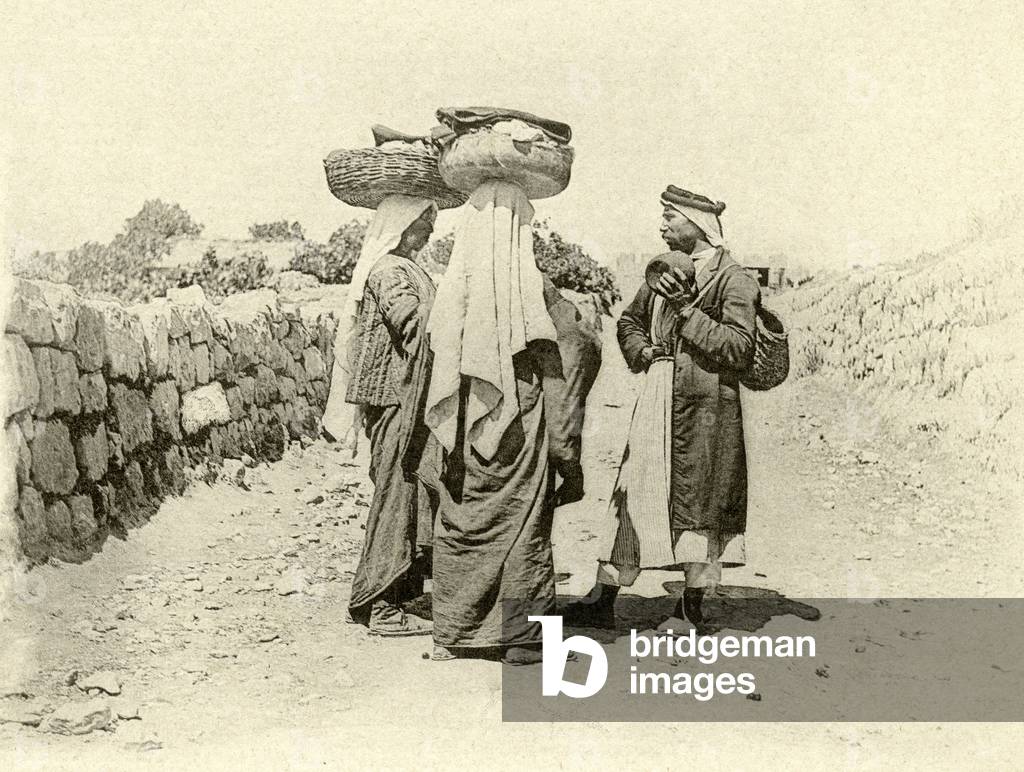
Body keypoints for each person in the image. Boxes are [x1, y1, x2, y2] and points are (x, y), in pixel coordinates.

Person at [563, 185, 759, 631]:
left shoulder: (735, 280)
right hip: (657, 398)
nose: (662, 225)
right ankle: (603, 597)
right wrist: (645, 352)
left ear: (699, 223)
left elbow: (738, 349)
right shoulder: (663, 272)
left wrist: (686, 312)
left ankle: (690, 606)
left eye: (670, 216)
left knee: (698, 503)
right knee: (632, 491)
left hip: (706, 409)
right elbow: (629, 321)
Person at [419, 180, 596, 664]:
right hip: (521, 422)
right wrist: (568, 456)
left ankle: (451, 635)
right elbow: (575, 347)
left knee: (463, 518)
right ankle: (522, 640)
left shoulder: (456, 282)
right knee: (522, 523)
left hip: (461, 424)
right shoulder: (535, 287)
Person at [321, 194, 439, 636]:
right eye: (424, 220)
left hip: (409, 396)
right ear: (403, 223)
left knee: (414, 492)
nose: (430, 229)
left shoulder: (409, 268)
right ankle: (379, 605)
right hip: (395, 397)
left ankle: (399, 594)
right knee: (396, 494)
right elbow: (412, 322)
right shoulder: (389, 270)